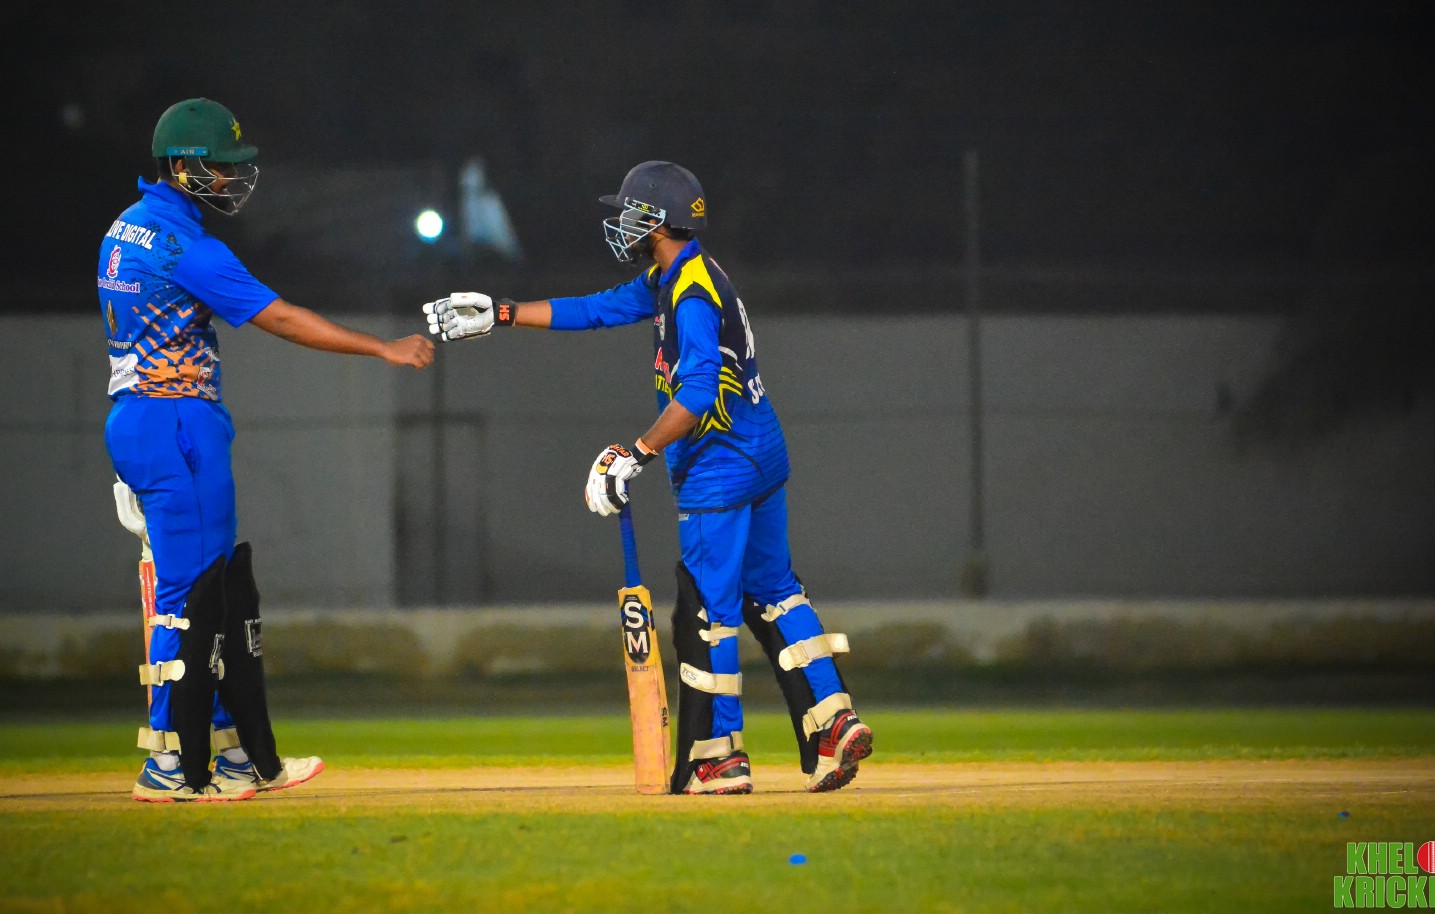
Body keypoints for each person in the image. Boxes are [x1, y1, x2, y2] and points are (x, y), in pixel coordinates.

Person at [422, 161, 872, 795]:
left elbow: (696, 393)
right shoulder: (678, 275)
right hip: (762, 453)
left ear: (659, 221)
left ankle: (718, 759)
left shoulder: (689, 293)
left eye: (632, 212)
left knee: (710, 615)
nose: (622, 223)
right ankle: (833, 721)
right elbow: (596, 310)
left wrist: (636, 452)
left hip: (719, 467)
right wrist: (502, 312)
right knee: (776, 591)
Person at [100, 97, 435, 801]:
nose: (230, 179)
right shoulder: (187, 247)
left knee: (209, 596)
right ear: (184, 166)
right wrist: (382, 348)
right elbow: (281, 318)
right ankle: (168, 763)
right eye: (219, 167)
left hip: (140, 419)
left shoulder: (125, 227)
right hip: (178, 423)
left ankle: (230, 757)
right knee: (189, 600)